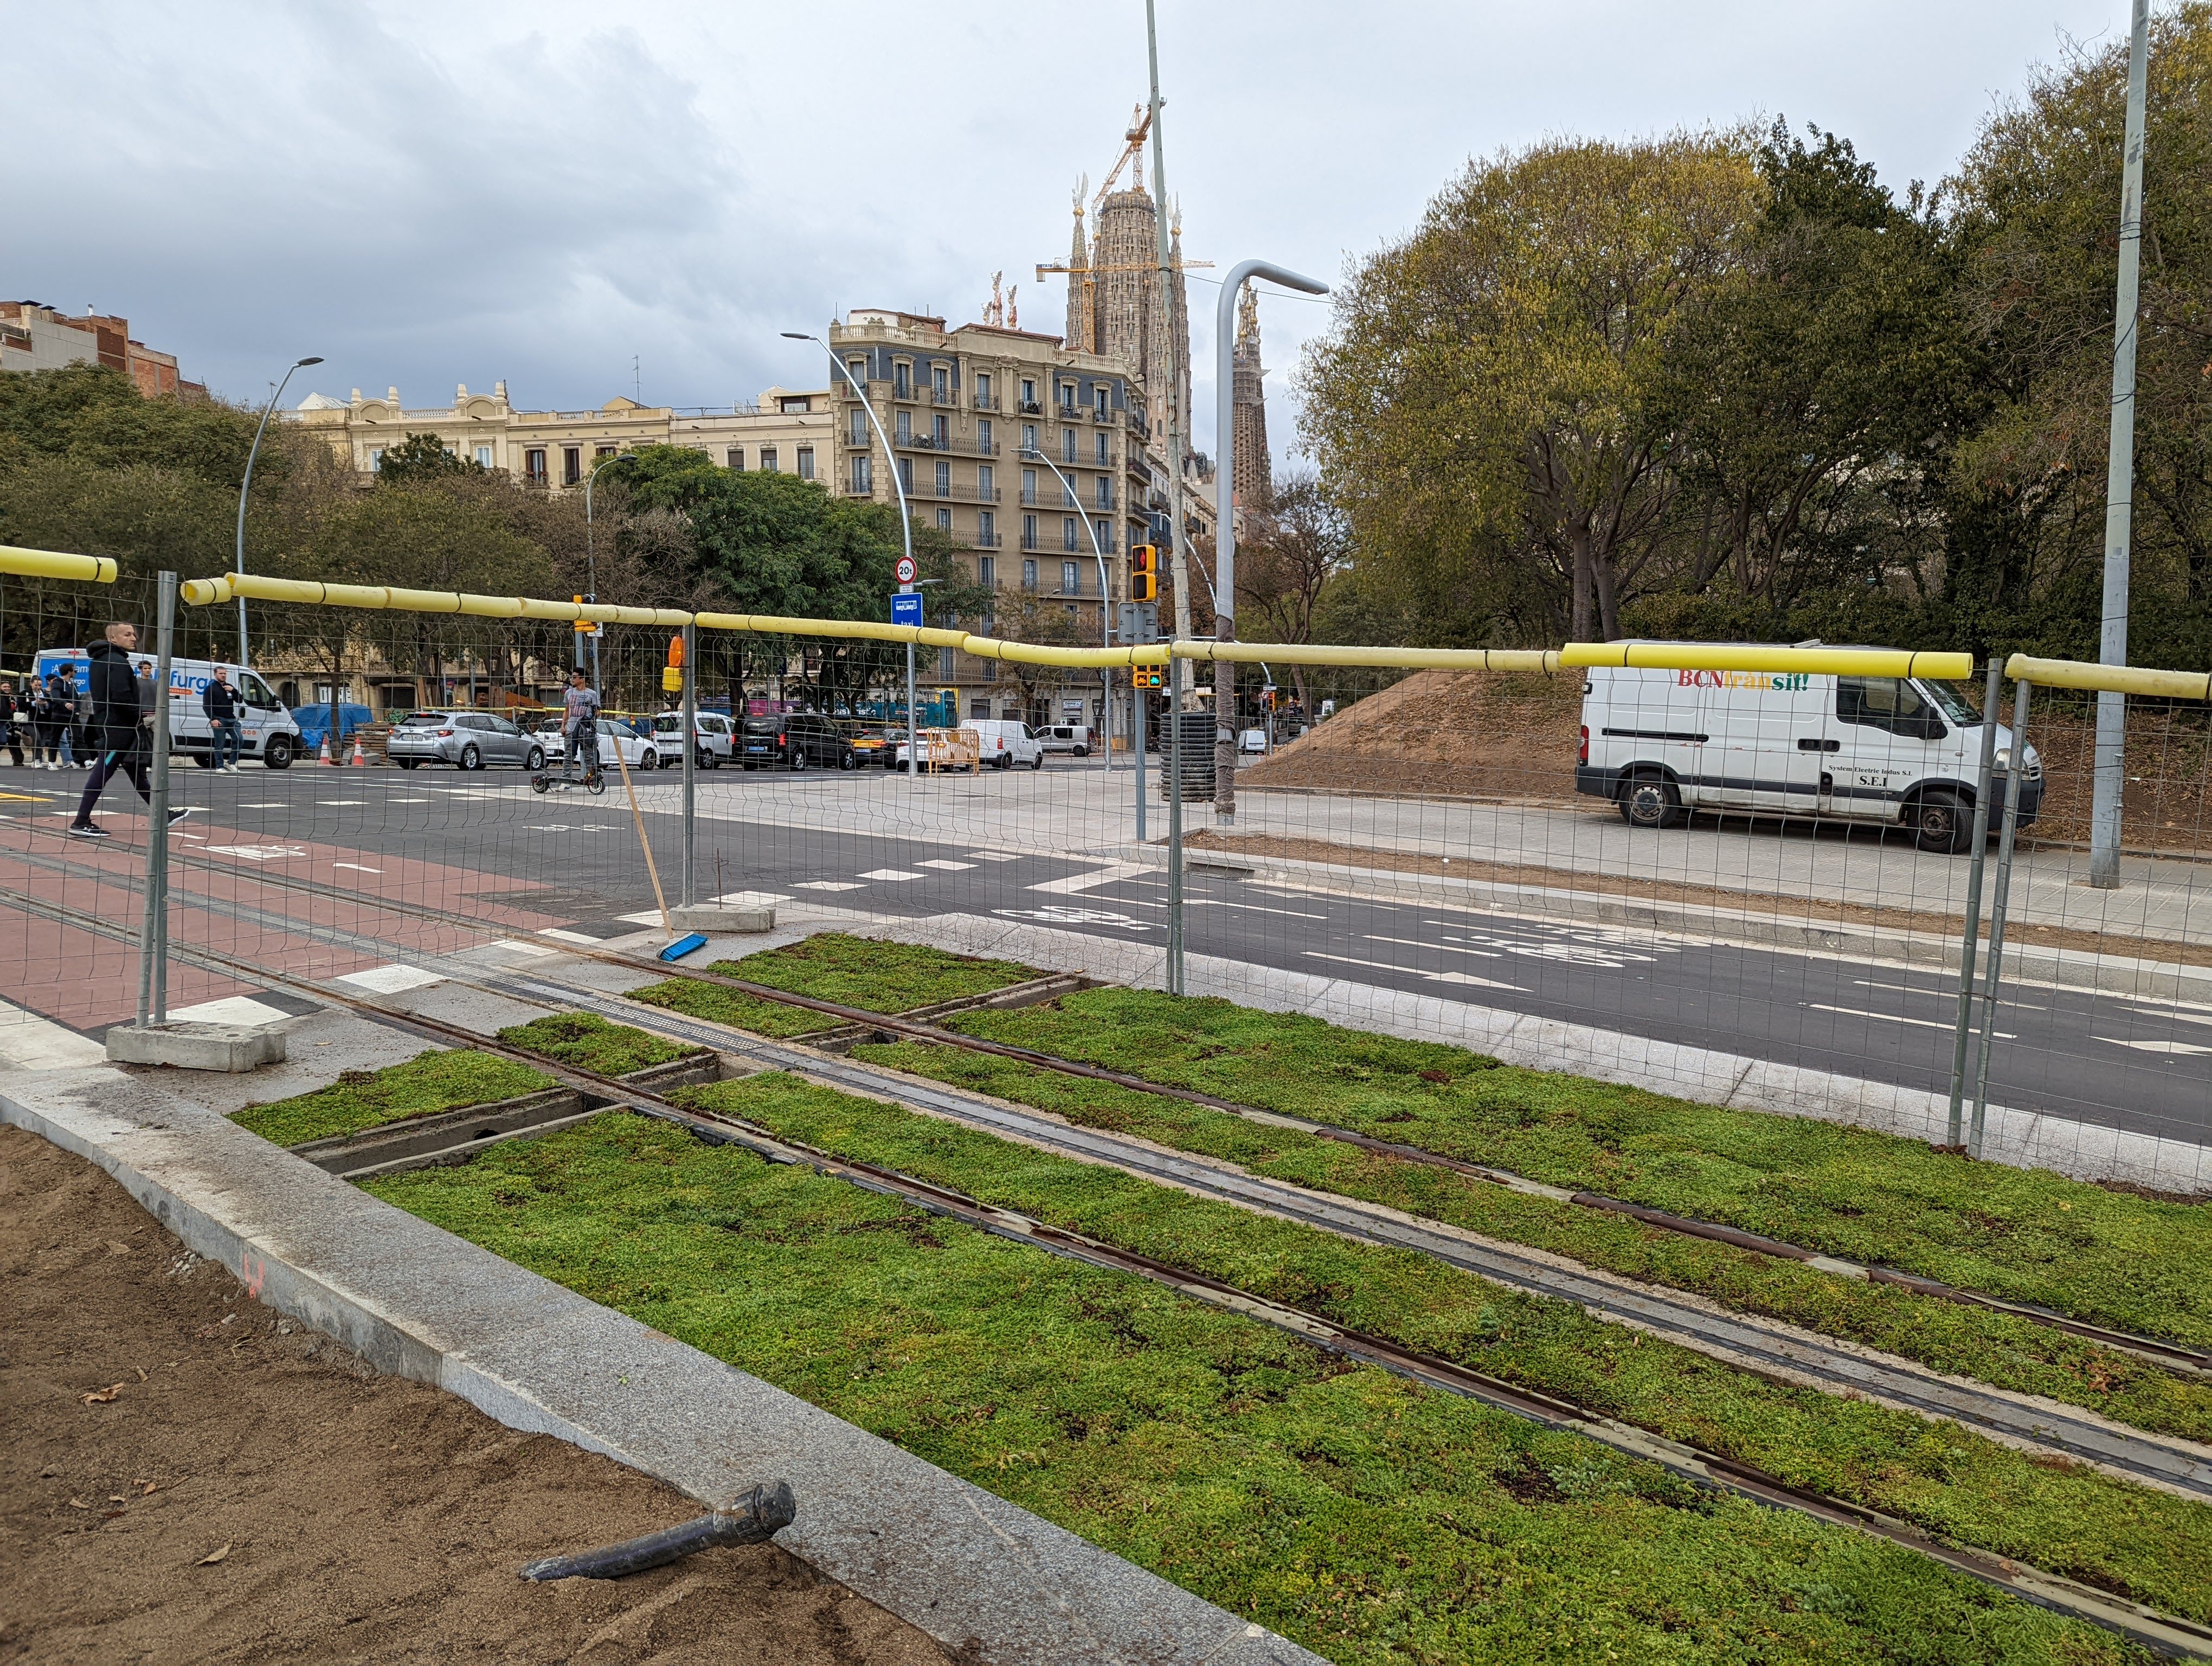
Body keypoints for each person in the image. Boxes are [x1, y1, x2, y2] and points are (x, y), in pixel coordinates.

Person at [69, 622, 192, 839]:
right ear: (113, 638)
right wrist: (138, 715)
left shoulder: (100, 660)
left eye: (134, 634)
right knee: (102, 773)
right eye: (127, 634)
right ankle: (81, 821)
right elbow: (121, 696)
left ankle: (164, 814)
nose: (133, 638)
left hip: (114, 726)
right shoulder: (116, 661)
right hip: (118, 730)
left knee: (137, 772)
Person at [561, 667, 600, 782]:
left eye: (575, 677)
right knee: (568, 756)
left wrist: (588, 719)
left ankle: (591, 779)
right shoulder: (569, 693)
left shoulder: (592, 694)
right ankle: (565, 781)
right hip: (571, 729)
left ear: (582, 679)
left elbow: (598, 711)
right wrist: (563, 726)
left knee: (588, 756)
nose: (572, 679)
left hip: (586, 730)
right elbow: (567, 711)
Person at [203, 667, 243, 772]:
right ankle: (220, 766)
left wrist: (234, 691)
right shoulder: (210, 688)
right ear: (215, 675)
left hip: (232, 719)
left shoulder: (229, 687)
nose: (223, 675)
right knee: (220, 743)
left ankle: (231, 763)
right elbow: (206, 706)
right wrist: (213, 719)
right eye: (221, 673)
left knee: (239, 739)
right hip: (219, 719)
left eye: (225, 673)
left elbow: (240, 700)